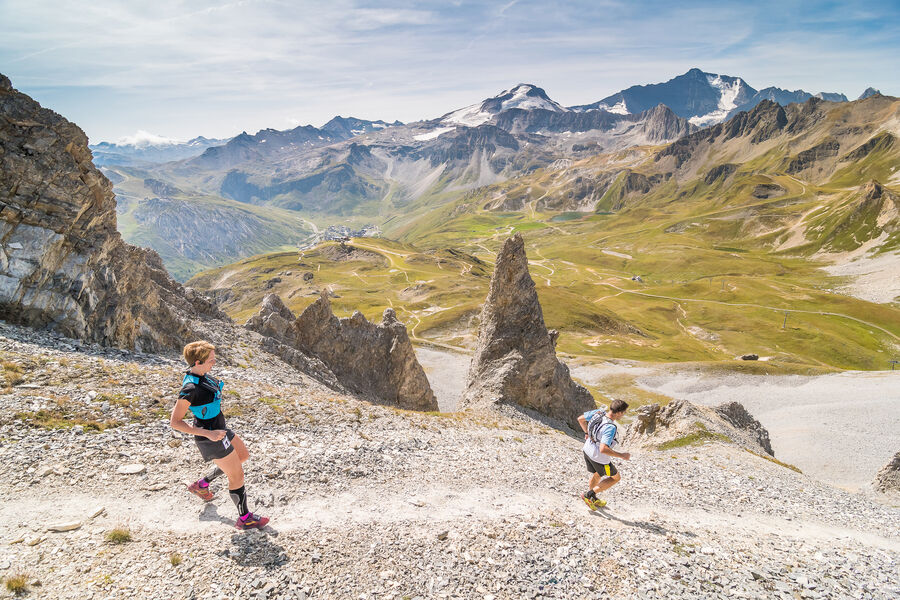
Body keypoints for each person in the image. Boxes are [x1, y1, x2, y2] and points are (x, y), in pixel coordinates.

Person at [170, 341, 269, 530]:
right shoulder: (190, 389)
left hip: (219, 429)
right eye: (210, 360)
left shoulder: (202, 376)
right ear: (197, 362)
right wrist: (208, 433)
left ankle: (202, 484)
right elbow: (175, 422)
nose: (214, 363)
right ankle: (245, 518)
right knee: (237, 475)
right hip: (210, 437)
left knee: (242, 456)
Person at [578, 399, 630, 510]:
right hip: (599, 457)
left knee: (597, 474)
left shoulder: (599, 412)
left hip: (587, 448)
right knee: (615, 478)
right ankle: (589, 494)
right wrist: (622, 455)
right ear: (619, 412)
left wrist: (587, 433)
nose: (624, 415)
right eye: (624, 413)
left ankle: (592, 498)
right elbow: (603, 449)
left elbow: (580, 419)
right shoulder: (610, 427)